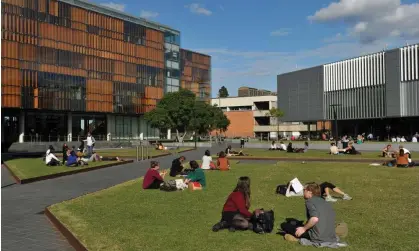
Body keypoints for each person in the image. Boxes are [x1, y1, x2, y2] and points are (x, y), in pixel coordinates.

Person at [282, 182, 346, 246]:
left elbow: (314, 219)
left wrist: (303, 229)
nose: (303, 192)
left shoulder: (309, 201)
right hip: (330, 235)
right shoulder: (326, 202)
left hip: (317, 237)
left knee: (285, 225)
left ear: (310, 192)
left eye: (304, 190)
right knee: (303, 225)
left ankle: (296, 238)